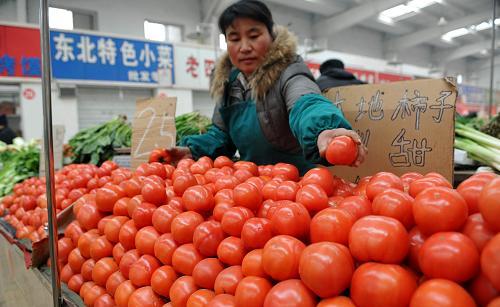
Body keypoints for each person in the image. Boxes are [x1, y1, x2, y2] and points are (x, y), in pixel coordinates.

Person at [172, 0, 366, 174]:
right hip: (251, 190)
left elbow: (306, 101)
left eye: (254, 35)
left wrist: (324, 129)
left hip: (299, 188)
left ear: (271, 36)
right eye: (234, 38)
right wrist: (192, 150)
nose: (245, 47)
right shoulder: (229, 84)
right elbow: (220, 136)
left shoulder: (289, 71)